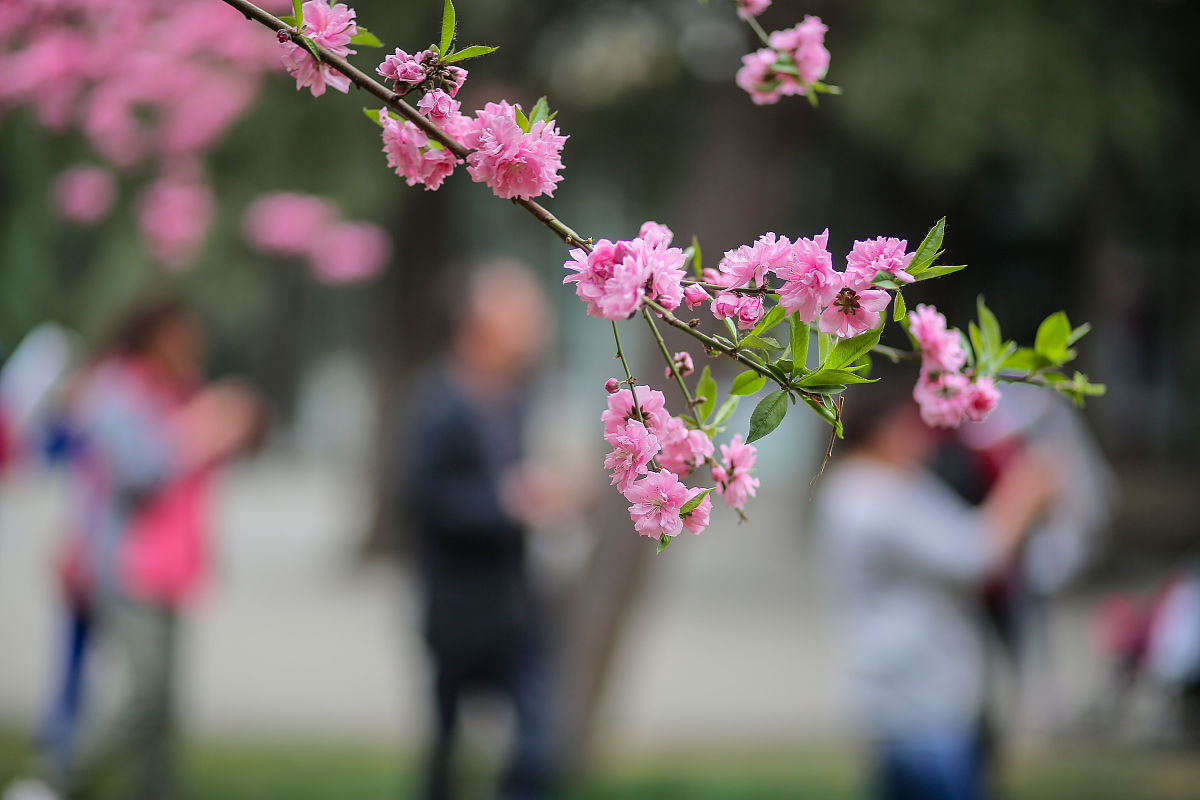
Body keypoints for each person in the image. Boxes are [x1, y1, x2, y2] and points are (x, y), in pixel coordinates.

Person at [7, 298, 262, 800]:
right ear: (155, 334)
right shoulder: (119, 389)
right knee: (136, 692)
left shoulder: (177, 390)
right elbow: (137, 469)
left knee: (162, 703)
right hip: (126, 562)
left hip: (172, 565)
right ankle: (52, 779)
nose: (192, 347)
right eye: (182, 335)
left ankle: (155, 789)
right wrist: (198, 432)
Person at [813, 366, 1058, 800]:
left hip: (902, 695)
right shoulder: (871, 495)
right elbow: (976, 553)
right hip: (923, 704)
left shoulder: (870, 488)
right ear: (883, 430)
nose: (925, 435)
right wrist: (1025, 487)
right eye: (912, 423)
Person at [401, 262, 568, 800]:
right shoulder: (439, 401)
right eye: (519, 311)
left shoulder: (516, 398)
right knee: (446, 752)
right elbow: (427, 500)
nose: (534, 323)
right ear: (481, 322)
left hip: (517, 603)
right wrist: (506, 502)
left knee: (538, 743)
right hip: (458, 606)